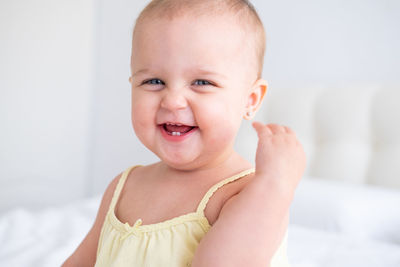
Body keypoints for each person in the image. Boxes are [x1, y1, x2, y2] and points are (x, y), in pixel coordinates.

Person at [62, 0, 306, 266]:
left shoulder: (251, 194)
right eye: (154, 81)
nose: (173, 100)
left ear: (250, 100)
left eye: (202, 82)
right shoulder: (123, 187)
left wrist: (275, 183)